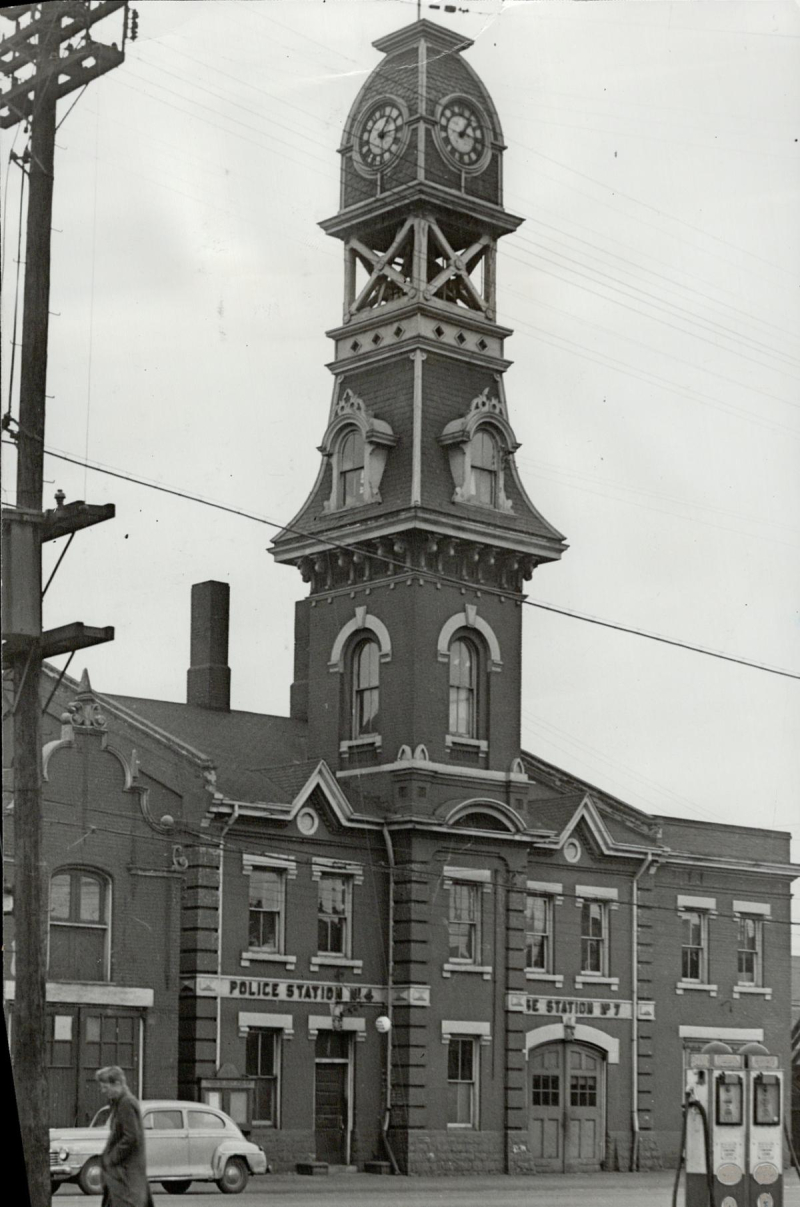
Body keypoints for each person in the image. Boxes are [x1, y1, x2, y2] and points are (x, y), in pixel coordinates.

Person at [95, 1066, 154, 1207]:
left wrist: (111, 1158)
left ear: (117, 1084)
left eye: (105, 1087)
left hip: (125, 1176)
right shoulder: (121, 1103)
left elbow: (131, 1137)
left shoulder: (125, 1104)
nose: (103, 1091)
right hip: (124, 1177)